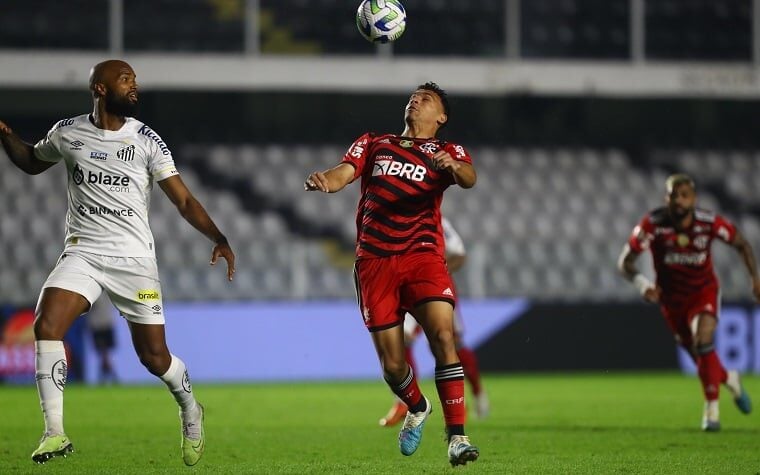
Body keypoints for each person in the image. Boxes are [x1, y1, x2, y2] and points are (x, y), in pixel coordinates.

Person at [0, 59, 235, 465]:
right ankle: (54, 432)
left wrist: (219, 237)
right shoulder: (68, 133)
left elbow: (182, 199)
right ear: (100, 88)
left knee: (154, 358)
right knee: (47, 324)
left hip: (134, 260)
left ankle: (190, 408)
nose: (134, 86)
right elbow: (31, 162)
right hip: (83, 251)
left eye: (135, 80)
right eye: (126, 79)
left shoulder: (146, 140)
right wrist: (5, 135)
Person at [305, 82, 479, 466]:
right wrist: (326, 181)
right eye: (413, 97)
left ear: (441, 117)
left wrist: (452, 167)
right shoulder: (375, 142)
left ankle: (457, 437)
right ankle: (417, 405)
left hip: (423, 256)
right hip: (374, 262)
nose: (416, 101)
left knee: (443, 335)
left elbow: (469, 177)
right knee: (393, 366)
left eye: (426, 99)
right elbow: (343, 173)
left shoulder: (447, 151)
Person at [617, 173, 756, 431]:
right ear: (665, 199)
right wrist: (643, 285)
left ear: (694, 199)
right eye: (673, 196)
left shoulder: (709, 223)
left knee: (702, 340)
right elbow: (625, 263)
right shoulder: (653, 225)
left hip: (703, 292)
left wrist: (755, 280)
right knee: (700, 356)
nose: (678, 201)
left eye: (684, 196)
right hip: (671, 302)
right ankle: (730, 378)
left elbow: (742, 244)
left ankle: (711, 411)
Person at [379, 217, 489, 427]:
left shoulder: (438, 221)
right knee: (402, 341)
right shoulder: (394, 219)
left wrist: (436, 271)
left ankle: (474, 394)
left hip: (434, 288)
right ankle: (405, 402)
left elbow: (459, 254)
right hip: (405, 287)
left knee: (448, 344)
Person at [85, 294, 118, 384]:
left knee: (105, 354)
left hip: (106, 323)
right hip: (97, 325)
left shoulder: (107, 291)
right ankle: (111, 377)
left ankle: (105, 377)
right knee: (104, 354)